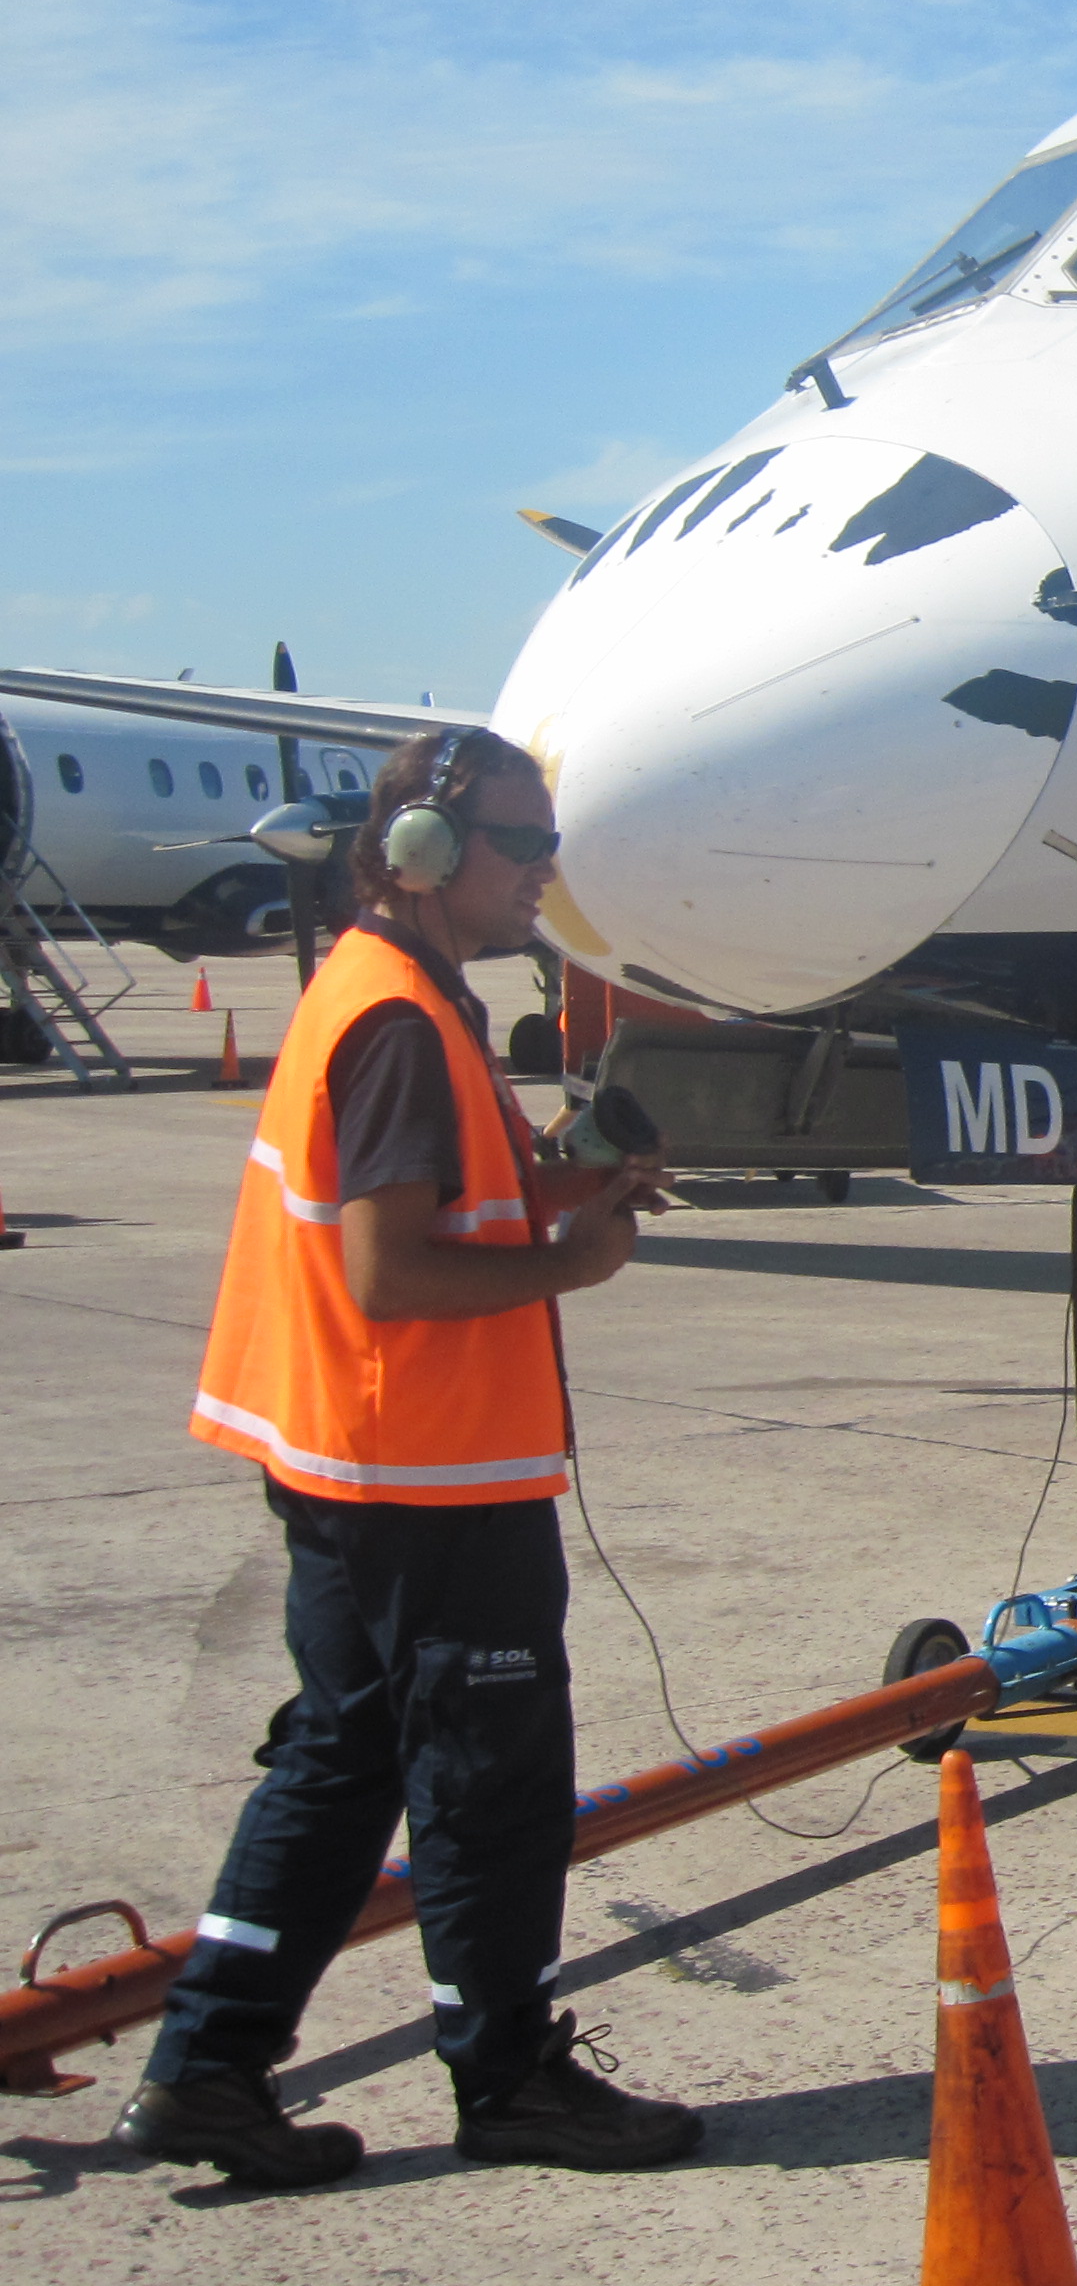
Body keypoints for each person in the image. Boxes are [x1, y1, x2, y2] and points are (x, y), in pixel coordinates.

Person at [114, 729, 704, 2188]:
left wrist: (569, 1179)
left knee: (340, 1763)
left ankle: (207, 2066)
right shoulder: (395, 1023)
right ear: (426, 858)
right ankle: (506, 2080)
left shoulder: (390, 992)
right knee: (489, 1784)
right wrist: (573, 1259)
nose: (543, 875)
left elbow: (448, 1190)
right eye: (524, 847)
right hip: (425, 1478)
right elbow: (388, 1272)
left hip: (360, 1465)